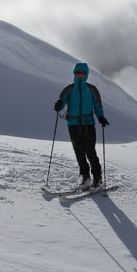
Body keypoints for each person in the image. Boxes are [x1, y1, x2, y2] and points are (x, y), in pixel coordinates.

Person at [54, 62, 109, 190]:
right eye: (78, 72)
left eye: (82, 73)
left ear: (86, 74)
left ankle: (97, 178)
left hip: (88, 124)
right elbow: (61, 103)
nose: (80, 75)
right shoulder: (69, 89)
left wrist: (100, 117)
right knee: (79, 152)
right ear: (74, 73)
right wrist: (59, 104)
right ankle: (85, 177)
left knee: (90, 151)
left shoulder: (91, 89)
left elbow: (97, 106)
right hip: (73, 124)